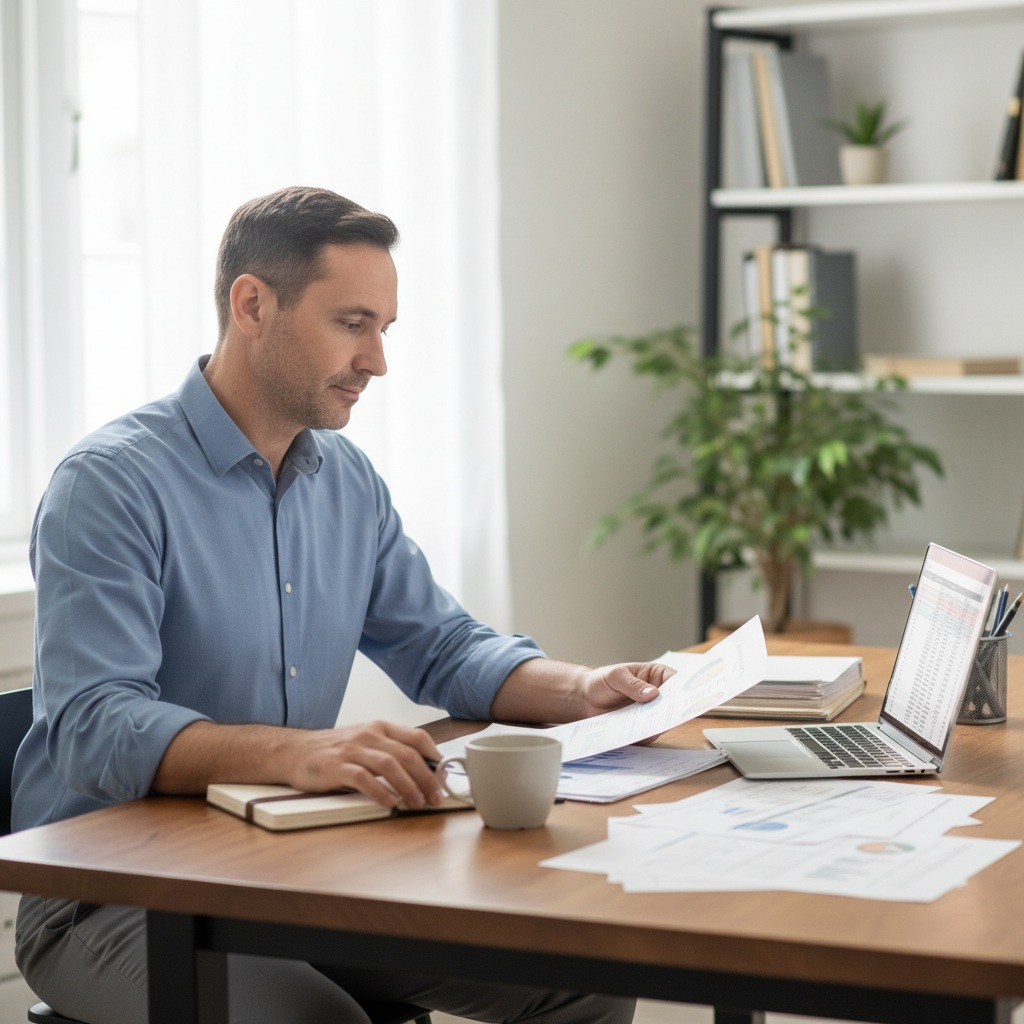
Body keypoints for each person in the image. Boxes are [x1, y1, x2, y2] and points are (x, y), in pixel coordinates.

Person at [12, 186, 674, 1024]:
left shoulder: (346, 480)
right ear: (252, 305)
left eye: (384, 330)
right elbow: (94, 723)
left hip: (294, 869)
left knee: (582, 977)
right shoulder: (110, 485)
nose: (378, 361)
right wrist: (299, 753)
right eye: (351, 323)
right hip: (112, 898)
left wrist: (580, 688)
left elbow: (440, 646)